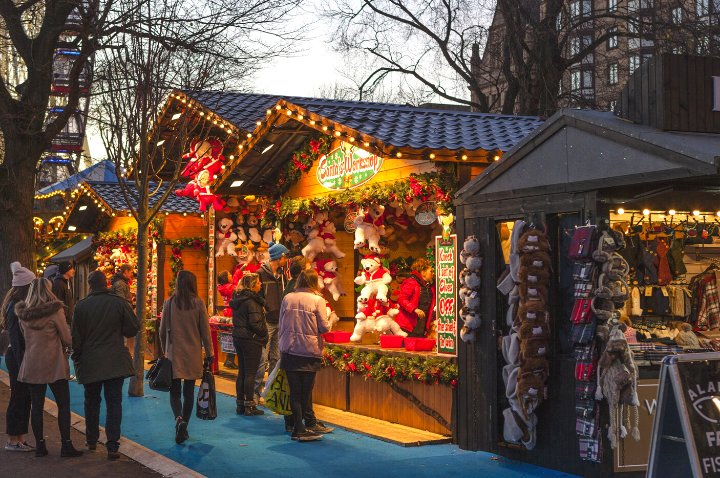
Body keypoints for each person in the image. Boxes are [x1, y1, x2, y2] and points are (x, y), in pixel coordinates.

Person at [72, 270, 139, 460]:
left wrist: (77, 359)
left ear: (90, 285)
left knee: (91, 401)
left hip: (91, 361)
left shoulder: (81, 307)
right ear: (106, 283)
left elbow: (76, 338)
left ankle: (92, 439)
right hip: (114, 361)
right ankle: (112, 445)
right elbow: (133, 327)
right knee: (114, 403)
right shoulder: (118, 303)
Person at [15, 278, 82, 457]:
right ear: (48, 290)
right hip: (54, 365)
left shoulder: (23, 314)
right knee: (63, 404)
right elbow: (67, 339)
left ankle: (41, 446)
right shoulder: (55, 311)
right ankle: (66, 445)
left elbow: (24, 338)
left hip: (32, 364)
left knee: (36, 406)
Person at [159, 270, 214, 444]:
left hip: (173, 353)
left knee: (174, 392)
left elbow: (162, 331)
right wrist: (210, 353)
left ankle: (178, 420)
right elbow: (205, 332)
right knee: (188, 392)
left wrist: (164, 350)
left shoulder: (169, 303)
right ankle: (185, 425)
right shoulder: (198, 303)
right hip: (193, 354)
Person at [278, 269, 331, 442]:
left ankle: (297, 427)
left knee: (294, 392)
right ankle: (302, 429)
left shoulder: (288, 298)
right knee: (305, 392)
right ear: (314, 282)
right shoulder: (318, 300)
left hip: (289, 349)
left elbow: (281, 322)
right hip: (308, 351)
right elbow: (324, 328)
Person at [2, 262, 35, 452]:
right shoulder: (16, 306)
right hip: (18, 358)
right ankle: (13, 440)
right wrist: (24, 361)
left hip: (17, 356)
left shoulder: (14, 304)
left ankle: (19, 438)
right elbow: (15, 338)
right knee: (19, 396)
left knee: (23, 396)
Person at [254, 242, 289, 401]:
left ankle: (270, 392)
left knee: (276, 357)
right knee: (262, 357)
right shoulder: (261, 273)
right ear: (278, 257)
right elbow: (257, 295)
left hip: (280, 320)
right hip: (267, 321)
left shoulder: (283, 275)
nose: (286, 259)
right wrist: (266, 308)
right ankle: (255, 392)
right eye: (284, 256)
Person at [229, 273, 268, 416]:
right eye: (258, 283)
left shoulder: (238, 298)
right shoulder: (252, 301)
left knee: (243, 372)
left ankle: (240, 404)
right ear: (252, 286)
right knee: (250, 373)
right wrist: (264, 334)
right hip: (251, 339)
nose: (261, 285)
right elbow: (255, 323)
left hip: (239, 337)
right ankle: (249, 405)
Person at [395, 258, 436, 337]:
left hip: (421, 325)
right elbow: (402, 299)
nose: (432, 273)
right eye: (430, 271)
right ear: (423, 272)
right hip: (408, 324)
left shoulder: (429, 285)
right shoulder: (411, 282)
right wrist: (414, 309)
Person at [217, 270, 237, 369]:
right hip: (232, 312)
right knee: (232, 337)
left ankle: (229, 360)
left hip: (227, 312)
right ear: (226, 277)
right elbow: (237, 288)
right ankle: (229, 360)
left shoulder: (222, 287)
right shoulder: (230, 287)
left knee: (229, 337)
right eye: (229, 274)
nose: (231, 275)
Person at [51, 261, 75, 326]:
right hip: (63, 321)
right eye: (71, 269)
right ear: (66, 270)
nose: (73, 270)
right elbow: (57, 303)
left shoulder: (67, 281)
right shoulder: (58, 284)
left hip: (68, 319)